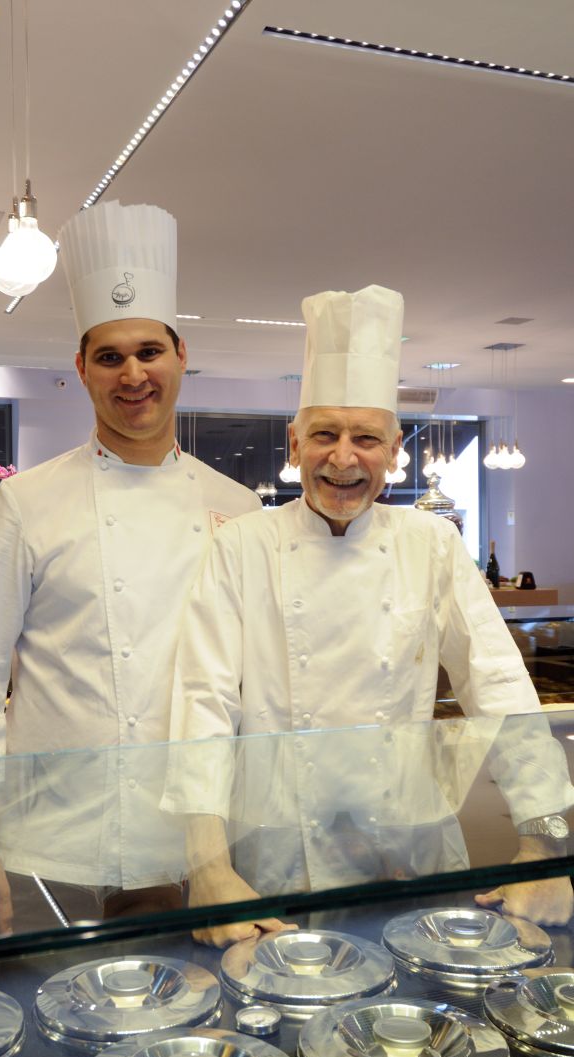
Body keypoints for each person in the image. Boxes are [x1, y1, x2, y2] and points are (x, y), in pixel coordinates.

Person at [163, 284, 574, 946]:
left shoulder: (431, 543)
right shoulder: (242, 546)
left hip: (409, 849)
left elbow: (497, 682)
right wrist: (207, 869)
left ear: (395, 446)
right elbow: (202, 705)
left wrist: (543, 844)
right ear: (294, 445)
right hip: (275, 860)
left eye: (366, 438)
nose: (345, 457)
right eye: (324, 434)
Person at [0, 200, 260, 938]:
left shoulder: (238, 508)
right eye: (110, 357)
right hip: (53, 846)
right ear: (81, 369)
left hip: (207, 848)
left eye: (150, 351)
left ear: (181, 355)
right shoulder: (23, 504)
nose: (132, 374)